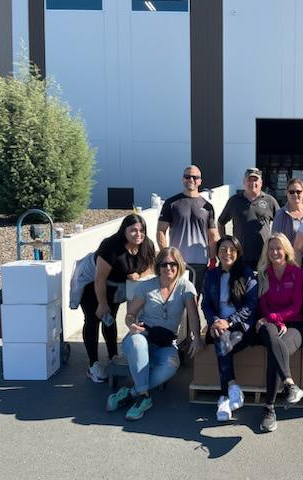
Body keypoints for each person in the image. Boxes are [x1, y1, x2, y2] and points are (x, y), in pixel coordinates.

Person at [105, 248, 204, 420]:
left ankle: (133, 393)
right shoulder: (146, 286)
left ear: (179, 265)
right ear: (158, 266)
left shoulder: (186, 287)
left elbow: (194, 315)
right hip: (141, 336)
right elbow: (130, 315)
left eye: (173, 263)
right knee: (138, 342)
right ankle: (144, 398)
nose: (168, 267)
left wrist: (195, 337)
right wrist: (131, 325)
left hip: (165, 342)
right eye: (164, 264)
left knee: (172, 364)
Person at [80, 214, 155, 383]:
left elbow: (151, 266)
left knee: (110, 320)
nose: (138, 234)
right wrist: (102, 303)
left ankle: (113, 355)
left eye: (141, 230)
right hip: (93, 286)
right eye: (133, 230)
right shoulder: (111, 246)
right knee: (94, 319)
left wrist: (140, 274)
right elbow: (99, 278)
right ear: (124, 231)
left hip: (115, 287)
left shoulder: (146, 244)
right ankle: (93, 365)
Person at [202, 235, 258, 421]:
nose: (227, 253)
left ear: (238, 252)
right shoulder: (211, 275)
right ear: (217, 253)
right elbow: (206, 305)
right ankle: (231, 389)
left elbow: (250, 306)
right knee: (221, 335)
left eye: (232, 250)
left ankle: (224, 396)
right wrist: (215, 321)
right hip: (219, 326)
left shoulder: (247, 274)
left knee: (222, 339)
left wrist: (229, 321)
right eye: (223, 249)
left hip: (241, 328)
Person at [255, 233, 303, 432]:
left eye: (278, 248)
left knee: (277, 349)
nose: (275, 252)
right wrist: (273, 319)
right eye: (271, 248)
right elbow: (263, 305)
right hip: (269, 324)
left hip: (294, 324)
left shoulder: (297, 273)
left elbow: (297, 306)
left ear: (286, 250)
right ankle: (289, 384)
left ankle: (269, 408)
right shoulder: (263, 274)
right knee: (270, 336)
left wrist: (278, 319)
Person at [156, 164, 218, 292]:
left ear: (200, 181)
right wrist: (167, 256)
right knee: (176, 302)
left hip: (200, 263)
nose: (191, 180)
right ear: (183, 179)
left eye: (195, 177)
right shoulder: (171, 203)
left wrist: (212, 260)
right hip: (177, 263)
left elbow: (212, 235)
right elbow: (161, 231)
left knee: (194, 301)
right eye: (187, 176)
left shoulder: (208, 206)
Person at [217, 168, 280, 270]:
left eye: (255, 180)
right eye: (249, 180)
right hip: (240, 256)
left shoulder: (270, 201)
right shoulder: (234, 201)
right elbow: (221, 222)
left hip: (264, 256)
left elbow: (280, 222)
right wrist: (226, 242)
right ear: (244, 182)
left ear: (261, 183)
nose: (252, 183)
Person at [271, 178, 303, 245]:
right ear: (286, 193)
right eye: (291, 192)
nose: (295, 194)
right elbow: (276, 240)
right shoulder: (280, 214)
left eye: (298, 192)